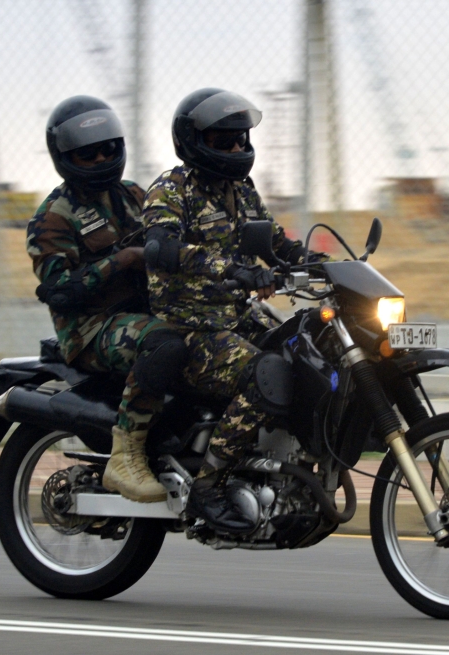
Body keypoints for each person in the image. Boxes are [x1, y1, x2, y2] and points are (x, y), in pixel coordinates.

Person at [141, 88, 326, 532]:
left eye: (242, 139)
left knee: (302, 351)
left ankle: (278, 471)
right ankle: (209, 483)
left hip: (232, 314)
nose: (239, 149)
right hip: (187, 326)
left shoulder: (240, 189)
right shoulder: (170, 191)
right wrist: (233, 269)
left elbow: (275, 241)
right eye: (227, 141)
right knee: (269, 375)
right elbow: (162, 248)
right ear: (195, 141)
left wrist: (323, 265)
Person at [26, 95, 188, 503]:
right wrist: (123, 260)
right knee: (163, 342)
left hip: (147, 311)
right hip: (92, 329)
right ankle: (126, 455)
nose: (101, 158)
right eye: (87, 153)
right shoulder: (54, 218)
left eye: (108, 148)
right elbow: (61, 292)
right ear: (65, 157)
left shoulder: (134, 195)